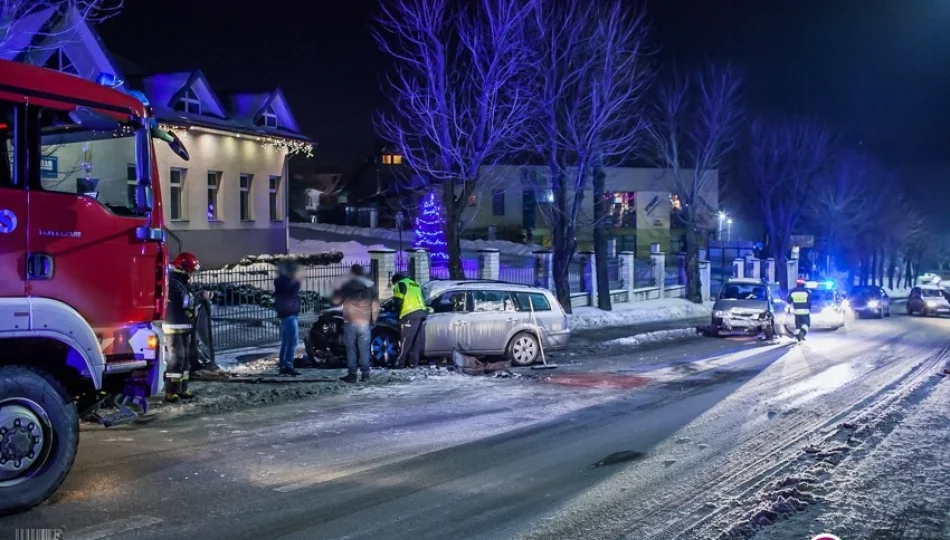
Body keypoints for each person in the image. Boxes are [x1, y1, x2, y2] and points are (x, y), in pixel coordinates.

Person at [164, 252, 205, 402]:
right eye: (191, 271)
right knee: (177, 359)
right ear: (183, 268)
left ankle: (183, 388)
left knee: (186, 360)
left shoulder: (182, 281)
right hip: (173, 327)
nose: (192, 274)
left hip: (185, 327)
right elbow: (184, 301)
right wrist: (200, 296)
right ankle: (171, 391)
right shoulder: (173, 282)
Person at [333, 264, 379, 383]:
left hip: (350, 321)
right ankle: (365, 375)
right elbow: (375, 305)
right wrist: (373, 319)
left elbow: (336, 301)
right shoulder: (371, 286)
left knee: (351, 349)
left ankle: (352, 375)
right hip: (365, 322)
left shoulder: (348, 285)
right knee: (364, 349)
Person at [391, 273, 428, 369]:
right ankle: (413, 363)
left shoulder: (400, 284)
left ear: (395, 281)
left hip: (409, 314)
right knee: (416, 341)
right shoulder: (415, 284)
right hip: (421, 313)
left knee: (405, 340)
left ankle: (399, 364)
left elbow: (398, 301)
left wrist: (396, 312)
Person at [274, 261, 302, 376]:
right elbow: (291, 292)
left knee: (286, 342)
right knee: (292, 342)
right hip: (289, 314)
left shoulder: (282, 281)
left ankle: (283, 365)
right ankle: (288, 365)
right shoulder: (284, 282)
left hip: (288, 313)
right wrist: (296, 282)